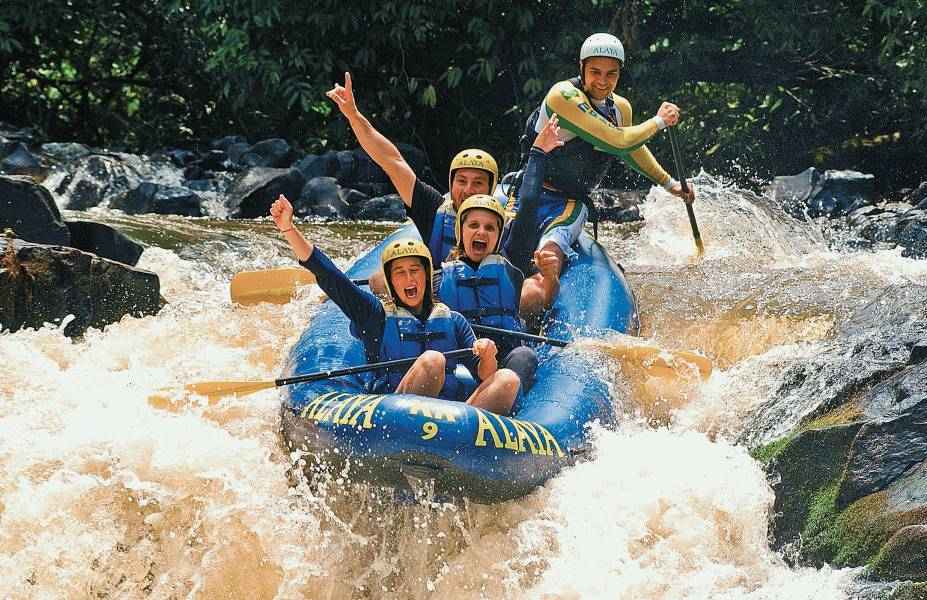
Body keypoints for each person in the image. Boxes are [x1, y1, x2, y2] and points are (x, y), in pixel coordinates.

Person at [324, 73, 558, 322]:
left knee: (532, 291)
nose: (468, 190)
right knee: (379, 280)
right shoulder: (433, 208)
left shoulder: (503, 227)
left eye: (477, 183)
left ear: (490, 190)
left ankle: (518, 329)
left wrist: (548, 277)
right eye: (461, 181)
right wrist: (353, 115)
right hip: (439, 295)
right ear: (451, 184)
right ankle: (405, 327)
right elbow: (391, 161)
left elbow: (528, 263)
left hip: (496, 306)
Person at [269, 195, 519, 415]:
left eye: (415, 271)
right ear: (390, 281)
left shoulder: (454, 321)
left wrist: (487, 353)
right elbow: (331, 277)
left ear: (427, 276)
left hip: (450, 423)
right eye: (400, 273)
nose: (409, 279)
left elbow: (485, 375)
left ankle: (461, 450)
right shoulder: (374, 316)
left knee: (507, 379)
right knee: (432, 360)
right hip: (394, 416)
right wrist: (289, 229)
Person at [513, 32, 696, 278]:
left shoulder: (620, 108)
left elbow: (632, 149)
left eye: (611, 73)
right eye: (595, 71)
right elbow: (618, 141)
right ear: (581, 67)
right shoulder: (563, 95)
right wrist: (659, 121)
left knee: (550, 256)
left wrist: (669, 183)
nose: (603, 80)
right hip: (528, 194)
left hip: (568, 203)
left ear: (620, 73)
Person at [436, 114, 565, 391]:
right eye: (473, 225)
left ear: (498, 235)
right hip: (459, 360)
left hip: (504, 360)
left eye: (489, 228)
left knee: (525, 355)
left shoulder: (511, 263)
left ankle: (499, 409)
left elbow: (529, 205)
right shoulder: (439, 276)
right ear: (461, 232)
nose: (481, 232)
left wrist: (538, 154)